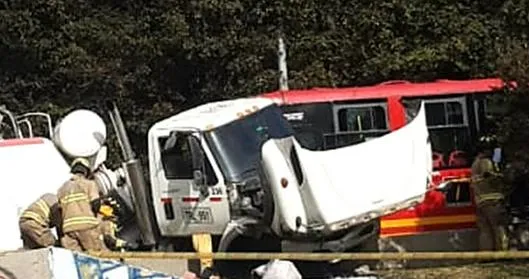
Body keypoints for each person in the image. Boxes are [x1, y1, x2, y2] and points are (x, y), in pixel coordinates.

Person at [57, 157, 109, 252]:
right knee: (98, 256)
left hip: (68, 229)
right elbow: (95, 203)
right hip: (87, 226)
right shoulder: (89, 184)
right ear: (86, 172)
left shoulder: (62, 189)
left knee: (76, 259)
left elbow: (59, 211)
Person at [471, 135, 509, 251]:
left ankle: (486, 255)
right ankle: (502, 254)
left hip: (480, 201)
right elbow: (489, 176)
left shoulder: (475, 162)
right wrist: (503, 177)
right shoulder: (486, 162)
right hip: (492, 201)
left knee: (485, 230)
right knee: (498, 227)